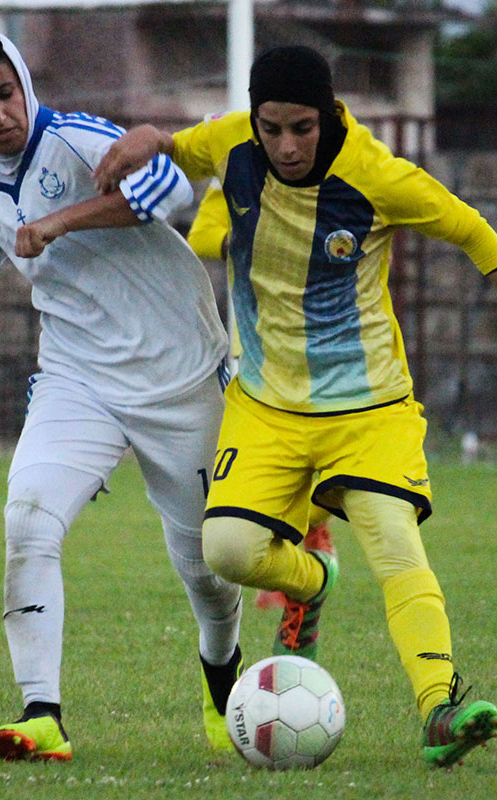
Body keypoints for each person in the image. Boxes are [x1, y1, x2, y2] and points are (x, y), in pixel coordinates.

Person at [29, 44, 497, 769]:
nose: (285, 144)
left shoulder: (378, 176)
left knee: (394, 542)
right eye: (271, 128)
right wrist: (147, 139)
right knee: (225, 551)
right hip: (264, 407)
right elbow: (183, 149)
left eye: (302, 128)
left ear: (330, 115)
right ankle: (313, 583)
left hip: (367, 409)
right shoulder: (234, 142)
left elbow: (476, 235)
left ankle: (439, 706)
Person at [0, 28, 244, 762]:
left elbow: (172, 191)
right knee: (27, 518)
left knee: (206, 569)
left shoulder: (81, 140)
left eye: (5, 92)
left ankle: (224, 687)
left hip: (180, 377)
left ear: (23, 81)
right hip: (76, 380)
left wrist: (59, 221)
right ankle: (42, 715)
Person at [185, 184, 337, 611]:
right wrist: (253, 240)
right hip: (258, 362)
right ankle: (298, 570)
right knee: (239, 499)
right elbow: (201, 235)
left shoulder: (344, 165)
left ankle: (311, 535)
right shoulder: (238, 166)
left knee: (348, 481)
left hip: (330, 357)